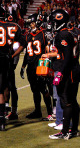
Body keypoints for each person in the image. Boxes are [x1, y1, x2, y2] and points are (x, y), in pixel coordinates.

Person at [43, 9, 79, 140]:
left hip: (67, 72)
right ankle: (73, 129)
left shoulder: (62, 35)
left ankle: (65, 131)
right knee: (73, 101)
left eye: (53, 22)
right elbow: (65, 54)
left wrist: (60, 74)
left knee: (66, 101)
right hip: (74, 70)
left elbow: (67, 56)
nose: (51, 24)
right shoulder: (72, 33)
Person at [20, 13, 53, 120]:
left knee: (44, 89)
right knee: (34, 90)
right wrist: (23, 66)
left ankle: (50, 113)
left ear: (38, 22)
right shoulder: (28, 35)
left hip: (40, 66)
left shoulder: (43, 33)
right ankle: (38, 111)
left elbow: (49, 48)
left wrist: (49, 63)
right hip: (30, 66)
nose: (31, 26)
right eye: (30, 24)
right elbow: (26, 53)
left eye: (33, 23)